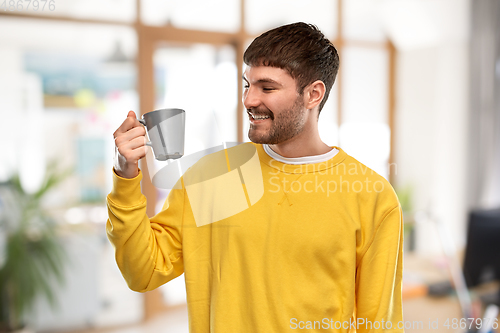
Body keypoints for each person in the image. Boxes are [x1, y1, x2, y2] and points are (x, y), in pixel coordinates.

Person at [108, 22, 404, 332]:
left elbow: (379, 324)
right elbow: (142, 271)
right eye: (247, 85)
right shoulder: (212, 177)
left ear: (313, 94)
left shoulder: (371, 196)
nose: (249, 100)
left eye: (267, 87)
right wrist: (125, 175)